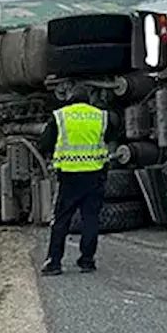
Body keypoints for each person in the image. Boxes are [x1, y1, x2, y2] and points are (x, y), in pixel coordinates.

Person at [38, 87, 113, 275]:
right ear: (88, 100)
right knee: (91, 220)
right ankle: (87, 261)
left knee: (61, 220)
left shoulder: (61, 116)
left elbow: (45, 143)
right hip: (95, 175)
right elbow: (111, 136)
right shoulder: (100, 116)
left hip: (69, 177)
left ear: (69, 99)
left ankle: (54, 262)